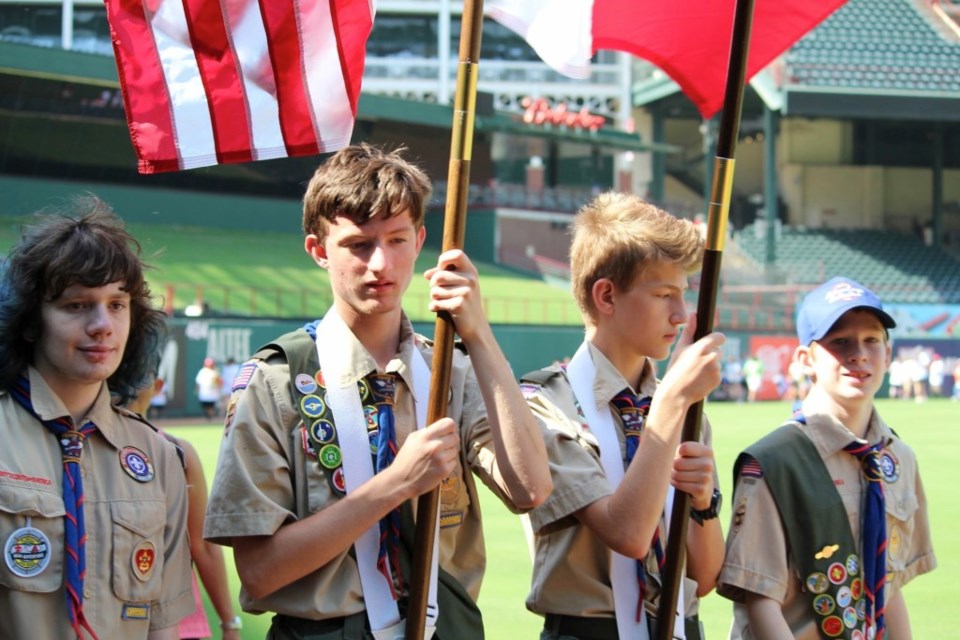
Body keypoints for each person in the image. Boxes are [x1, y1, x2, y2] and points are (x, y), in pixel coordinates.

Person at [204, 143, 552, 639]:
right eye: (358, 245)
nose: (380, 264)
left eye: (397, 239)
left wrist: (479, 335)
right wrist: (395, 485)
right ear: (319, 250)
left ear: (420, 241)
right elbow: (259, 574)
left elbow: (531, 489)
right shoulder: (278, 380)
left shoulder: (449, 368)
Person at [519, 192, 725, 639]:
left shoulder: (681, 405)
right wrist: (670, 404)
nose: (681, 314)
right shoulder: (543, 402)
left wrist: (705, 505)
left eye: (683, 295)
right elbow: (628, 533)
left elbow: (705, 579)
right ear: (607, 295)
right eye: (663, 294)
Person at [0, 198, 194, 639]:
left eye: (117, 304)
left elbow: (161, 625)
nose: (103, 324)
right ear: (32, 321)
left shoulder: (159, 457)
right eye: (76, 305)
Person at [718, 276, 936, 639]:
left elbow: (890, 587)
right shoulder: (775, 462)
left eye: (871, 340)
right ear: (806, 359)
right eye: (840, 342)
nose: (859, 354)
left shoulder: (897, 459)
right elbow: (760, 600)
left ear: (889, 353)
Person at [128, 373, 242, 640]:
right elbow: (203, 546)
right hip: (149, 620)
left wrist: (229, 622)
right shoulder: (177, 450)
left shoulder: (178, 452)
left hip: (171, 620)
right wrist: (229, 623)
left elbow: (202, 545)